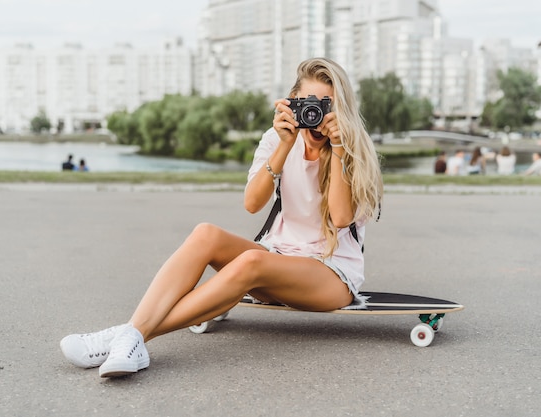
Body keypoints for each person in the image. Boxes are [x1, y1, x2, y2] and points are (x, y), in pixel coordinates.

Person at [59, 57, 384, 378]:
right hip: (279, 258)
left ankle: (128, 336)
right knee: (206, 234)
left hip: (331, 275)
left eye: (326, 105)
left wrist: (339, 145)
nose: (316, 115)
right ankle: (130, 337)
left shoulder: (354, 146)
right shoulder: (277, 139)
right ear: (291, 104)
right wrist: (284, 145)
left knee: (249, 263)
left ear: (341, 108)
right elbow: (252, 203)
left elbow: (341, 218)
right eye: (308, 104)